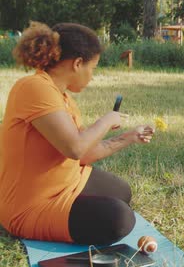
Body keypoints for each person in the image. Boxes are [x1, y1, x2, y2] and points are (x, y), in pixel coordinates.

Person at [0, 22, 154, 245]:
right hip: (28, 205)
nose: (91, 76)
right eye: (92, 68)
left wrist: (129, 137)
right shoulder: (34, 87)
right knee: (119, 219)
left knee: (121, 191)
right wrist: (106, 120)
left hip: (64, 183)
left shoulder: (62, 97)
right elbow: (74, 148)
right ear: (78, 63)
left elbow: (85, 156)